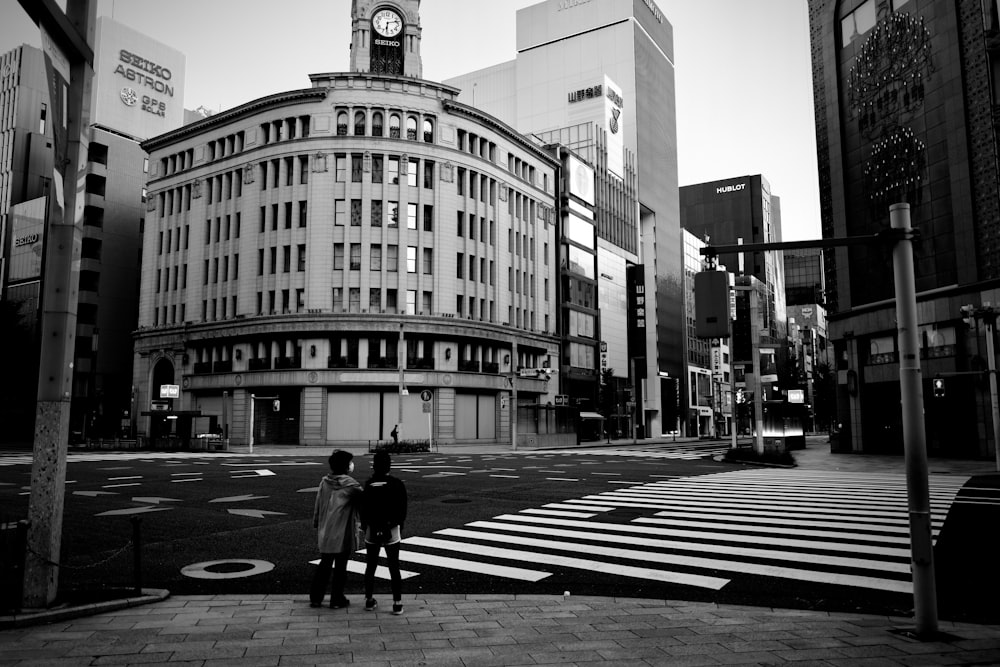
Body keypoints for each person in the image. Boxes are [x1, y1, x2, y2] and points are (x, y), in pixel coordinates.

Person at [310, 450, 362, 609]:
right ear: (346, 466)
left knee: (324, 564)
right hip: (342, 532)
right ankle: (336, 598)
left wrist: (317, 522)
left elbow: (318, 504)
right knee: (340, 567)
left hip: (326, 531)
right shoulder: (351, 485)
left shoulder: (324, 482)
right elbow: (365, 502)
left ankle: (316, 598)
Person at [361, 450, 408, 615]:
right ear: (389, 466)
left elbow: (363, 508)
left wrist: (366, 525)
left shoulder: (368, 485)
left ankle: (369, 600)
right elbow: (402, 509)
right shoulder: (396, 484)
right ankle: (397, 603)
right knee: (394, 566)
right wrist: (396, 525)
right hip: (391, 529)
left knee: (371, 566)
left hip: (372, 529)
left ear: (374, 466)